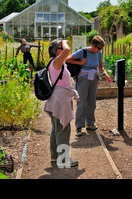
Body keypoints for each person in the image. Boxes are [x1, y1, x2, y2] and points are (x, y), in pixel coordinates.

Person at [43, 39, 80, 167]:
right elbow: (68, 50)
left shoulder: (59, 63)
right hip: (60, 100)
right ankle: (64, 159)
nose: (63, 49)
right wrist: (64, 41)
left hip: (58, 98)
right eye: (60, 48)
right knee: (63, 130)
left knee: (56, 128)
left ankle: (55, 156)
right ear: (54, 51)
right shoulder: (56, 62)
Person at [66, 35, 112, 136]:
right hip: (83, 78)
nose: (100, 50)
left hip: (94, 78)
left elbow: (100, 67)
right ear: (93, 45)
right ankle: (79, 126)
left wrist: (105, 74)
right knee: (81, 102)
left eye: (101, 48)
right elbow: (68, 59)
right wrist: (80, 62)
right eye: (99, 48)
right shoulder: (83, 52)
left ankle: (90, 124)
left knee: (92, 102)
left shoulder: (99, 53)